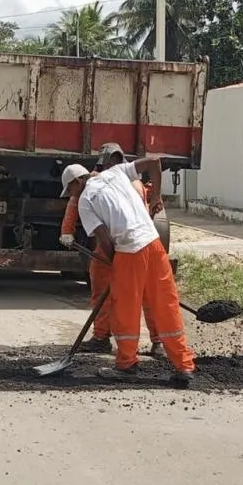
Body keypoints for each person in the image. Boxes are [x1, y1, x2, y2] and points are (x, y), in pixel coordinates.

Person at [65, 152, 195, 387]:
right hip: (154, 245)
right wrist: (156, 195)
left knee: (125, 308)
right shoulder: (116, 172)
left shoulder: (85, 201)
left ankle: (126, 365)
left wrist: (117, 264)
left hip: (129, 250)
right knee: (165, 305)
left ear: (77, 183)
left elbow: (105, 241)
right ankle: (184, 366)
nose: (71, 196)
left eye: (70, 191)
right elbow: (155, 161)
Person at [59, 149, 163, 358]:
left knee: (137, 294)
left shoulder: (92, 190)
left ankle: (132, 347)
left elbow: (80, 208)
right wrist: (67, 231)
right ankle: (110, 337)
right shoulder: (125, 179)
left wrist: (117, 261)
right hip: (144, 241)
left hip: (125, 244)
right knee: (116, 283)